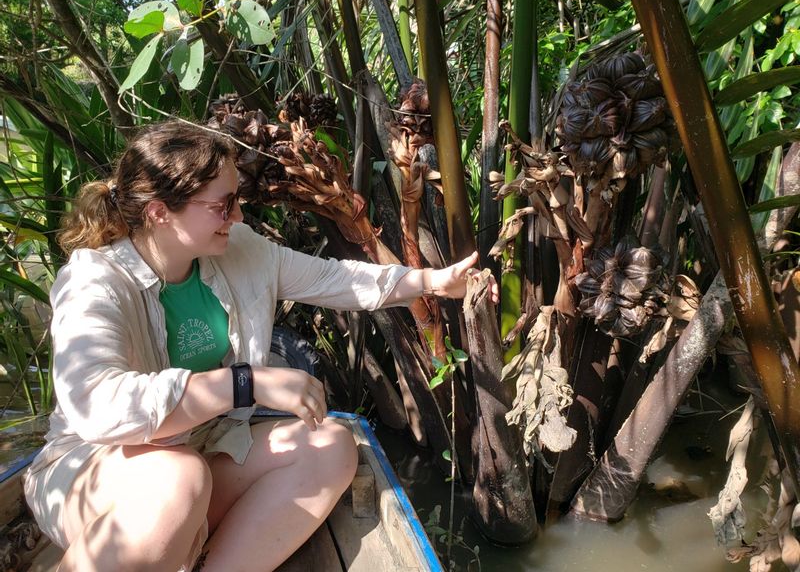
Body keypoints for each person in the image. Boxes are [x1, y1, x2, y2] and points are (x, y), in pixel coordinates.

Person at [23, 121, 497, 572]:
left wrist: (432, 281)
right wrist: (244, 383)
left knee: (329, 446)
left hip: (197, 449)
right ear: (158, 211)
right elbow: (96, 405)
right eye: (222, 204)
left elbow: (335, 278)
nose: (238, 215)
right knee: (177, 479)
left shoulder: (239, 249)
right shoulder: (94, 280)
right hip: (95, 470)